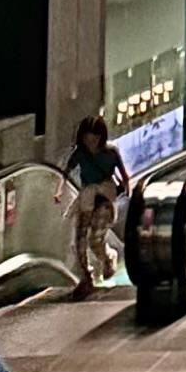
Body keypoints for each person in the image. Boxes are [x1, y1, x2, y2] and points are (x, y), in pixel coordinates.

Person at [62, 114, 129, 296]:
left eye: (95, 138)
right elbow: (66, 173)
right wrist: (59, 191)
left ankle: (108, 257)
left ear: (101, 137)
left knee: (94, 240)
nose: (91, 143)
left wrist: (128, 192)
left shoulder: (111, 152)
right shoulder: (79, 154)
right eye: (87, 139)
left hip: (105, 199)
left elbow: (124, 175)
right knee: (79, 240)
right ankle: (87, 277)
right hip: (86, 197)